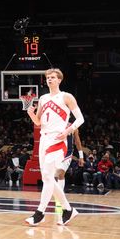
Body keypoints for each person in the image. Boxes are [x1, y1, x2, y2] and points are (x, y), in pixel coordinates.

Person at [25, 68, 82, 226]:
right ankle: (68, 209)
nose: (49, 79)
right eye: (48, 77)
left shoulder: (66, 96)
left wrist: (68, 131)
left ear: (59, 80)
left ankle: (39, 213)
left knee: (49, 177)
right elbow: (38, 122)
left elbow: (80, 119)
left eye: (52, 77)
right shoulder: (42, 98)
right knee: (47, 178)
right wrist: (30, 113)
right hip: (44, 139)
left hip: (58, 139)